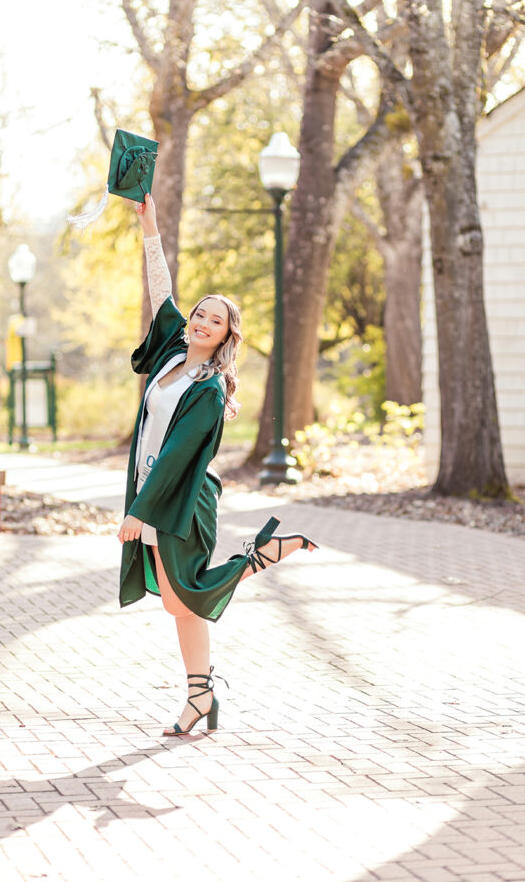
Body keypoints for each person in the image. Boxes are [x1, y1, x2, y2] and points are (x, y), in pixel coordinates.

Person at [117, 193, 317, 736]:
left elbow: (178, 456)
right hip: (156, 492)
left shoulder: (209, 388)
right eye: (200, 314)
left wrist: (139, 511)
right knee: (180, 605)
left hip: (182, 499)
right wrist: (151, 226)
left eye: (217, 320)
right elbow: (161, 289)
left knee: (185, 595)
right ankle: (200, 697)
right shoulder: (171, 356)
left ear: (228, 335)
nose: (204, 322)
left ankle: (260, 556)